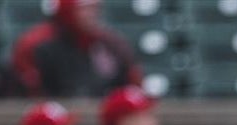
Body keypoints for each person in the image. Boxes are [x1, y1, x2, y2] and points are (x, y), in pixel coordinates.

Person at [12, 0, 141, 97]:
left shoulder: (111, 44)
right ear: (68, 11)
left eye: (95, 9)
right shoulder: (40, 45)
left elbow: (132, 83)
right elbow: (35, 92)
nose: (92, 15)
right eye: (85, 10)